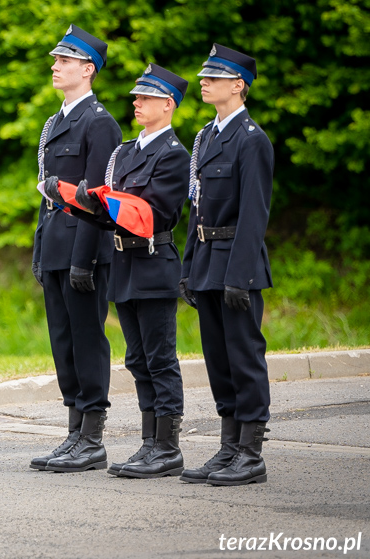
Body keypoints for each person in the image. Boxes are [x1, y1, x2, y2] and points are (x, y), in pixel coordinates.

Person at [46, 64, 191, 478]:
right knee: (137, 359)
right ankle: (149, 444)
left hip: (154, 263)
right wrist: (79, 203)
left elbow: (154, 213)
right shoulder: (126, 151)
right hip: (125, 264)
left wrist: (99, 203)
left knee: (160, 359)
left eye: (145, 98)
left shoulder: (174, 155)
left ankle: (167, 446)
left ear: (168, 104)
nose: (136, 103)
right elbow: (109, 209)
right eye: (136, 97)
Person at [178, 44, 274, 486]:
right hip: (208, 261)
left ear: (238, 85)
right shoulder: (208, 136)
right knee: (218, 359)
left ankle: (251, 454)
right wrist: (189, 268)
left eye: (214, 76)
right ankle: (229, 446)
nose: (204, 82)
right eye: (203, 76)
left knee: (244, 356)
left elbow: (254, 214)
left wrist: (242, 275)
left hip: (237, 262)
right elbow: (199, 210)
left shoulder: (251, 139)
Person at [29, 25, 121, 473]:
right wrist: (40, 249)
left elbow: (97, 197)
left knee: (87, 340)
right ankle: (73, 433)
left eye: (63, 61)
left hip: (83, 250)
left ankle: (93, 438)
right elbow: (48, 194)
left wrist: (83, 257)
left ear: (87, 70)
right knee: (62, 342)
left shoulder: (99, 123)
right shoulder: (56, 121)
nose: (55, 66)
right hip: (55, 246)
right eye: (56, 59)